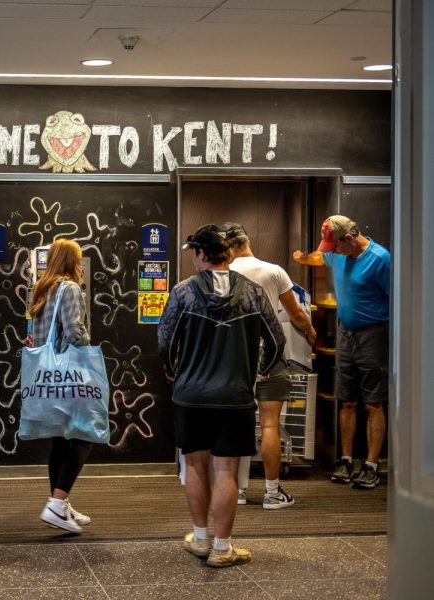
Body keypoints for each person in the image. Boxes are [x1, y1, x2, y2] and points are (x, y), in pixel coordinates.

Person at [158, 225, 284, 568]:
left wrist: (173, 372)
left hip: (191, 395)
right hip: (235, 397)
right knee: (226, 471)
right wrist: (262, 370)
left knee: (196, 467)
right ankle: (222, 547)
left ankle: (200, 539)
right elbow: (276, 341)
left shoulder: (183, 292)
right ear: (228, 253)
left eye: (193, 253)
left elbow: (165, 341)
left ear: (201, 254)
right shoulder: (254, 293)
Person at [224, 222, 317, 510]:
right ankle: (272, 492)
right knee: (269, 425)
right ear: (247, 241)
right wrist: (312, 338)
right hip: (269, 353)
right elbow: (297, 315)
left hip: (234, 357)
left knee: (235, 424)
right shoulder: (274, 271)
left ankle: (237, 491)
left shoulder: (222, 274)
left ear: (226, 247)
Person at [293, 215, 390, 490]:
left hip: (374, 334)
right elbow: (318, 258)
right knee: (346, 400)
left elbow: (398, 299)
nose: (331, 252)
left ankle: (371, 464)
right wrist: (301, 258)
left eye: (334, 246)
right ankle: (345, 460)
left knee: (373, 403)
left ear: (349, 239)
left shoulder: (380, 259)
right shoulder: (336, 254)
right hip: (346, 333)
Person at [27, 239, 92, 534]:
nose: (80, 265)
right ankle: (56, 504)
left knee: (59, 440)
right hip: (69, 374)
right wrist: (90, 357)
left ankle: (60, 504)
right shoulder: (71, 289)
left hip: (46, 375)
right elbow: (75, 331)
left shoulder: (41, 289)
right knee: (83, 435)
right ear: (70, 262)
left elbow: (36, 334)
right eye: (78, 260)